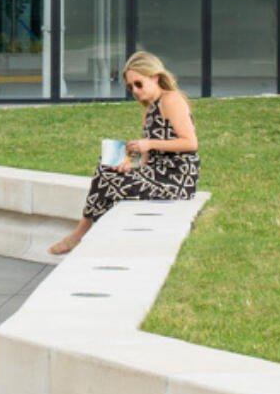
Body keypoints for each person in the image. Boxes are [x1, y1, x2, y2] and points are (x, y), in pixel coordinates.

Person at [47, 51, 201, 256]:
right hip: (156, 171)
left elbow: (190, 143)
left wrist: (149, 144)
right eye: (130, 87)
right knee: (106, 167)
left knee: (112, 184)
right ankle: (85, 233)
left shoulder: (171, 100)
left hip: (176, 179)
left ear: (154, 77)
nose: (135, 91)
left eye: (139, 84)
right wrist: (131, 162)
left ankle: (81, 234)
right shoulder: (149, 108)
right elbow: (148, 153)